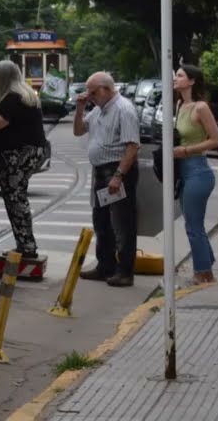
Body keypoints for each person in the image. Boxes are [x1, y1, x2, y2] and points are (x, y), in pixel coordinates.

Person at [0, 60, 48, 259]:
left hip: (21, 154)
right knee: (13, 194)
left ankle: (27, 247)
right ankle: (25, 245)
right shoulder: (20, 93)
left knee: (15, 197)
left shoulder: (14, 98)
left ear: (2, 79)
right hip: (29, 152)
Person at [74, 71, 141, 287]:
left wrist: (119, 176)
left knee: (122, 223)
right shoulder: (98, 110)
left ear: (106, 89)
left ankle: (125, 271)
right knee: (102, 221)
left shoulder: (124, 109)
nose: (90, 96)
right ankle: (106, 265)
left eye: (93, 92)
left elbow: (132, 146)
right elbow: (78, 130)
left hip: (117, 171)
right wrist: (80, 108)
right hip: (101, 171)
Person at [173, 64, 218, 284]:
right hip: (183, 171)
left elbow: (216, 140)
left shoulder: (200, 107)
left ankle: (203, 273)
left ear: (192, 81)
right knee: (192, 224)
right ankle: (206, 261)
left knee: (194, 226)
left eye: (180, 75)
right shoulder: (179, 105)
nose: (175, 78)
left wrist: (185, 150)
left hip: (198, 170)